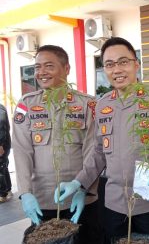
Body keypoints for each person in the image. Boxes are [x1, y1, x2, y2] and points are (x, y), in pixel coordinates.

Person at [54, 37, 149, 244]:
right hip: (114, 203)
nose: (117, 69)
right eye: (109, 64)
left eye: (123, 62)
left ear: (137, 64)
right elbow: (99, 151)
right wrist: (78, 181)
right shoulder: (101, 105)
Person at [12, 45, 101, 244]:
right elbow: (21, 151)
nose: (41, 72)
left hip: (81, 199)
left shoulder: (87, 104)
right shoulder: (27, 104)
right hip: (41, 199)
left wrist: (84, 189)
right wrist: (25, 193)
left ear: (67, 69)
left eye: (49, 66)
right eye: (37, 67)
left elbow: (93, 151)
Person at [0, 103, 12, 203]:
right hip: (3, 143)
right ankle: (7, 189)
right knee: (3, 166)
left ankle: (2, 194)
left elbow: (2, 126)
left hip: (2, 144)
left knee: (1, 167)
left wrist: (0, 144)